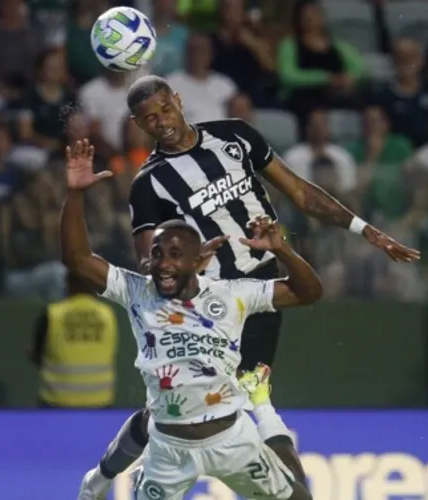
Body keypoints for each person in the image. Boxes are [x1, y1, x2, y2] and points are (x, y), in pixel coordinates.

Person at [78, 74, 421, 499]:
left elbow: (298, 191)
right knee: (177, 408)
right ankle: (101, 478)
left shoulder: (234, 137)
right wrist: (196, 259)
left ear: (179, 101)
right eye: (150, 118)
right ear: (138, 124)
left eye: (166, 109)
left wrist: (364, 229)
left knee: (253, 394)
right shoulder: (149, 184)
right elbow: (150, 262)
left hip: (260, 292)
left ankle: (293, 492)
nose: (162, 122)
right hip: (205, 303)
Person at [61, 138, 319, 500]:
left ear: (197, 261)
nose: (163, 263)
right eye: (157, 253)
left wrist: (282, 250)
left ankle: (261, 404)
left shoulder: (231, 294)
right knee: (153, 412)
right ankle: (98, 480)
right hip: (169, 450)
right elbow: (77, 259)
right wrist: (74, 195)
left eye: (175, 255)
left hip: (232, 438)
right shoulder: (138, 291)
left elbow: (309, 292)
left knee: (300, 497)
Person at [29, 274, 118, 409]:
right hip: (100, 403)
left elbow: (36, 354)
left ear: (69, 283)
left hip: (57, 403)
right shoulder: (107, 314)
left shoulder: (52, 313)